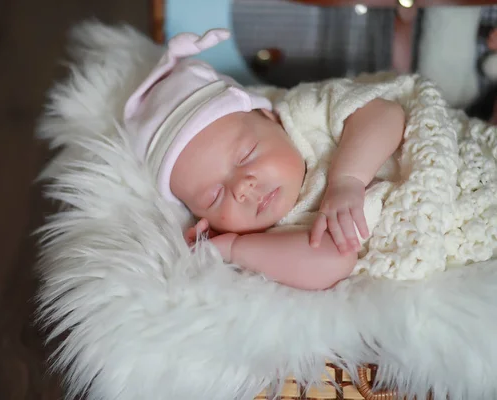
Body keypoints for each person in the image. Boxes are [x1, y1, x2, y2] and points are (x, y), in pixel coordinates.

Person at [124, 29, 406, 290]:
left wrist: (348, 179)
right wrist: (234, 248)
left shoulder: (305, 113)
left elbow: (385, 114)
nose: (242, 188)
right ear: (204, 219)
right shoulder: (272, 236)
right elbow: (335, 261)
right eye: (214, 197)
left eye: (246, 155)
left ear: (270, 118)